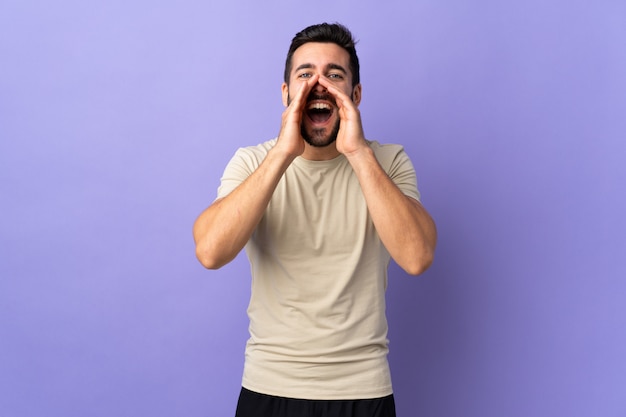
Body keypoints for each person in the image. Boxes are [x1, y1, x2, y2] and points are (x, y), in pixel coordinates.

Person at [193, 22, 437, 417]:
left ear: (355, 95)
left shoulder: (388, 162)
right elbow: (210, 251)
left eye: (334, 75)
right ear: (286, 93)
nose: (318, 85)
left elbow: (417, 256)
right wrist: (282, 154)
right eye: (305, 74)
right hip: (269, 387)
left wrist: (358, 153)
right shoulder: (253, 162)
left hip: (364, 389)